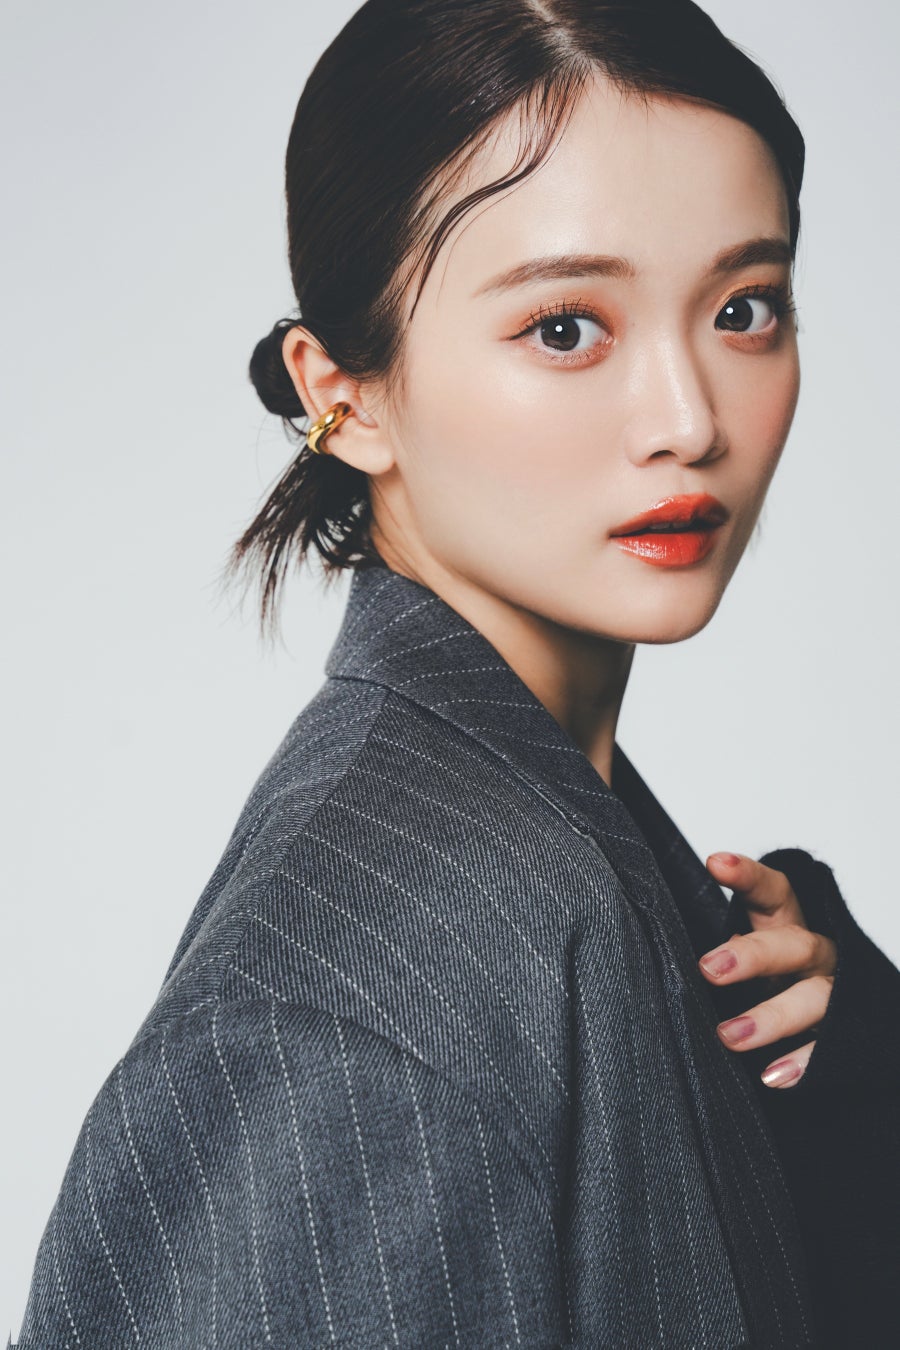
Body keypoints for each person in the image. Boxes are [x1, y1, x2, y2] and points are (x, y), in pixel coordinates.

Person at [12, 1, 900, 1346]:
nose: (689, 420)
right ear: (345, 395)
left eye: (743, 308)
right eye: (566, 327)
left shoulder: (567, 860)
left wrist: (855, 1103)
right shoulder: (354, 1010)